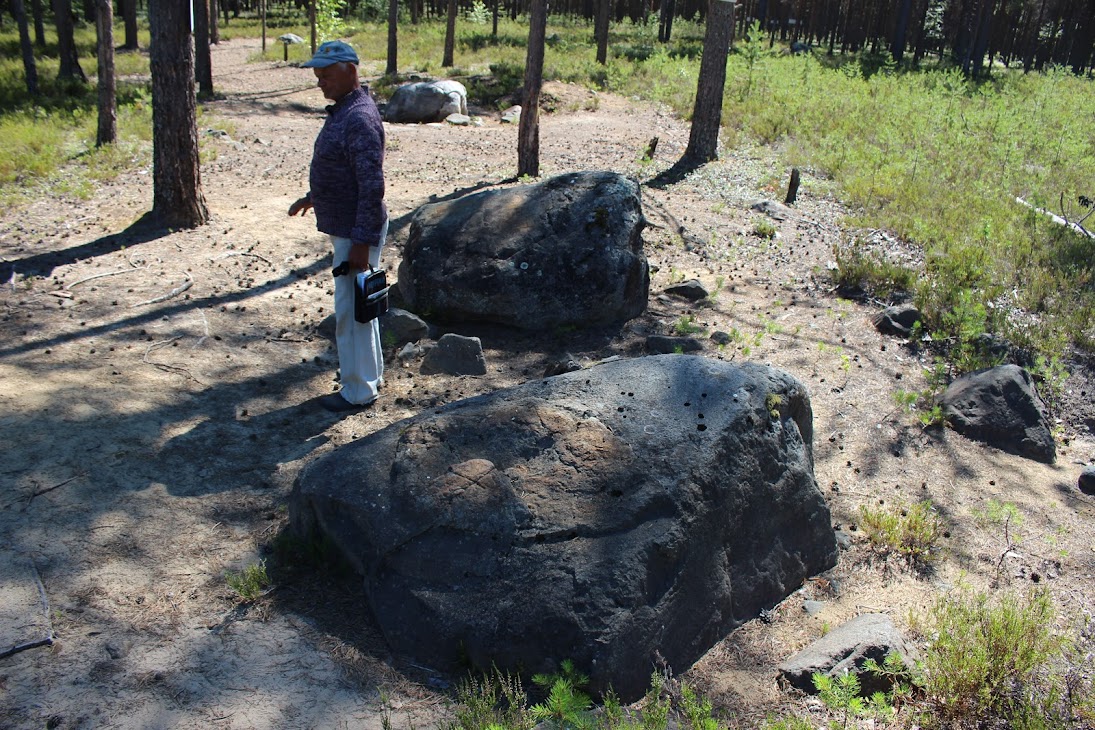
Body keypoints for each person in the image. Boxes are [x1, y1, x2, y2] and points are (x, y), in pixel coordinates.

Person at [289, 40, 387, 413]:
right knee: (365, 305)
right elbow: (344, 169)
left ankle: (358, 392)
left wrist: (362, 241)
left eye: (326, 75)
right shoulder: (347, 110)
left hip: (355, 230)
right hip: (349, 225)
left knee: (351, 311)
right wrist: (315, 195)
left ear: (350, 70)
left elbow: (371, 185)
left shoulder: (358, 117)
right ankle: (369, 377)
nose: (320, 83)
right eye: (317, 76)